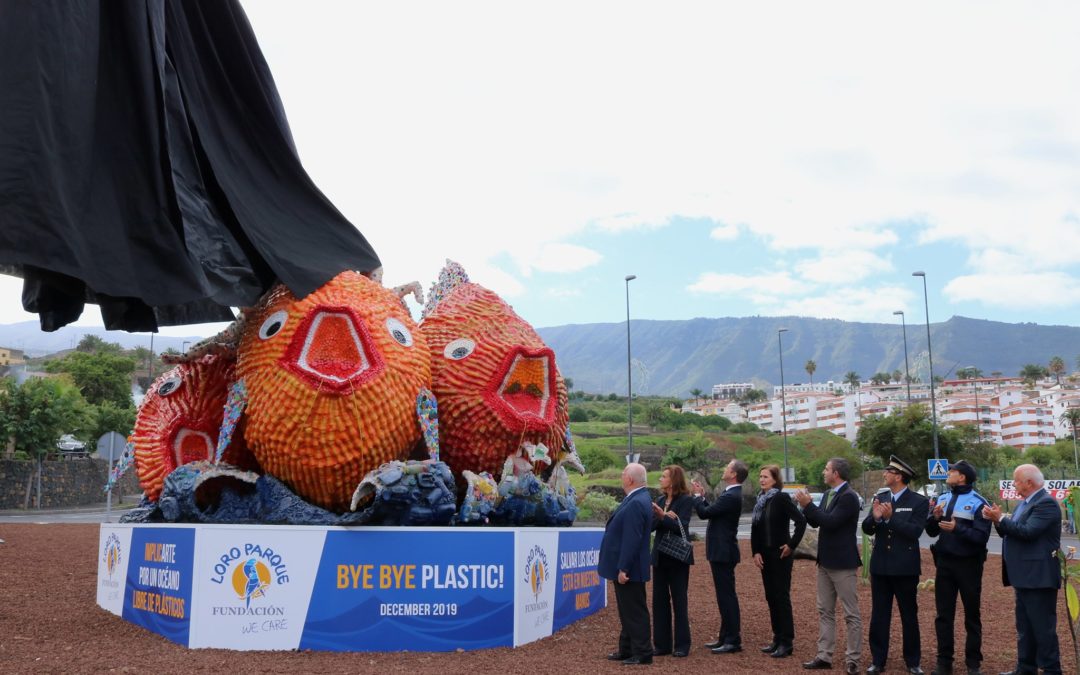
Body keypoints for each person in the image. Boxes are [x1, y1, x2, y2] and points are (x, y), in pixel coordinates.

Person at [982, 464, 1062, 675]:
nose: (1013, 484)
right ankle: (1025, 668)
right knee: (1025, 628)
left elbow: (1028, 532)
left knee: (1043, 630)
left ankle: (1052, 670)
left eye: (1016, 480)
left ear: (1029, 482)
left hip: (1039, 577)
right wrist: (997, 521)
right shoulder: (1023, 504)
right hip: (1024, 576)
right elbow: (1011, 533)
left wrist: (1000, 518)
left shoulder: (1046, 503)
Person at [862, 455, 930, 675]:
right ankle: (877, 660)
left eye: (888, 472)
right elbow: (866, 528)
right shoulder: (880, 497)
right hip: (881, 566)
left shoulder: (918, 502)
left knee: (909, 615)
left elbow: (915, 532)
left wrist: (891, 519)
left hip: (904, 568)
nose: (884, 474)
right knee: (879, 615)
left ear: (899, 476)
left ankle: (913, 661)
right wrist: (876, 518)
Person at [795, 457, 863, 675]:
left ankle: (853, 659)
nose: (823, 472)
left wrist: (808, 505)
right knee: (825, 610)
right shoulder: (827, 494)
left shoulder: (849, 497)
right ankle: (824, 655)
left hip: (843, 563)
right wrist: (807, 508)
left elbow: (831, 522)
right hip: (824, 561)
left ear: (836, 474)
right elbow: (816, 521)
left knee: (851, 613)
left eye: (826, 469)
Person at [925, 459, 990, 675]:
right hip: (944, 564)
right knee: (943, 615)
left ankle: (973, 663)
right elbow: (932, 532)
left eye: (952, 471)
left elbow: (981, 537)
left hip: (969, 565)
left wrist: (957, 529)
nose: (948, 473)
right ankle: (944, 662)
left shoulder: (980, 502)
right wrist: (934, 518)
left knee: (972, 615)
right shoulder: (942, 498)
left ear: (961, 476)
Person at [598, 462, 654, 665]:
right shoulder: (637, 498)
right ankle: (627, 648)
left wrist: (624, 568)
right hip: (627, 566)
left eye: (623, 473)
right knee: (626, 610)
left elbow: (632, 538)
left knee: (634, 611)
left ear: (630, 479)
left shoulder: (637, 501)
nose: (621, 476)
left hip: (630, 569)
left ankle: (642, 652)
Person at [750, 464, 806, 659]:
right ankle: (777, 637)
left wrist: (791, 545)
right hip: (764, 555)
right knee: (770, 597)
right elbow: (755, 529)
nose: (762, 479)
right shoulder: (760, 500)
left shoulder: (781, 498)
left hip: (780, 555)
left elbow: (801, 521)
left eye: (765, 476)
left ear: (775, 479)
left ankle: (786, 641)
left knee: (781, 597)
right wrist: (755, 551)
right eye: (760, 476)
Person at [692, 459, 747, 654]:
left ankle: (733, 639)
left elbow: (705, 513)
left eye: (727, 467)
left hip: (723, 552)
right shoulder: (730, 494)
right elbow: (713, 512)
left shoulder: (731, 495)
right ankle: (725, 637)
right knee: (724, 596)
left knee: (726, 597)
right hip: (723, 551)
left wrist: (698, 497)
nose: (724, 469)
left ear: (733, 474)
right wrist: (703, 498)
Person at [650, 465, 694, 658]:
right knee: (659, 601)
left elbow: (682, 526)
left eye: (664, 476)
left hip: (677, 558)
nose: (660, 479)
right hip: (660, 556)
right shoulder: (660, 500)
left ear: (674, 480)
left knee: (679, 600)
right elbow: (652, 525)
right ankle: (662, 644)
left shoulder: (685, 500)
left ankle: (682, 645)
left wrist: (663, 517)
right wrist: (660, 516)